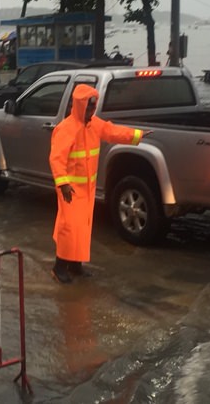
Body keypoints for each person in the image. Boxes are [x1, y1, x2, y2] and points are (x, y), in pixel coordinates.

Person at [49, 84, 151, 283]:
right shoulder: (66, 129)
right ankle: (59, 267)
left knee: (83, 228)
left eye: (93, 108)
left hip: (87, 189)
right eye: (88, 108)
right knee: (69, 228)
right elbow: (56, 159)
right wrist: (63, 184)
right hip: (70, 189)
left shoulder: (94, 125)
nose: (91, 111)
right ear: (79, 106)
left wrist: (136, 135)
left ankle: (76, 265)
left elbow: (113, 132)